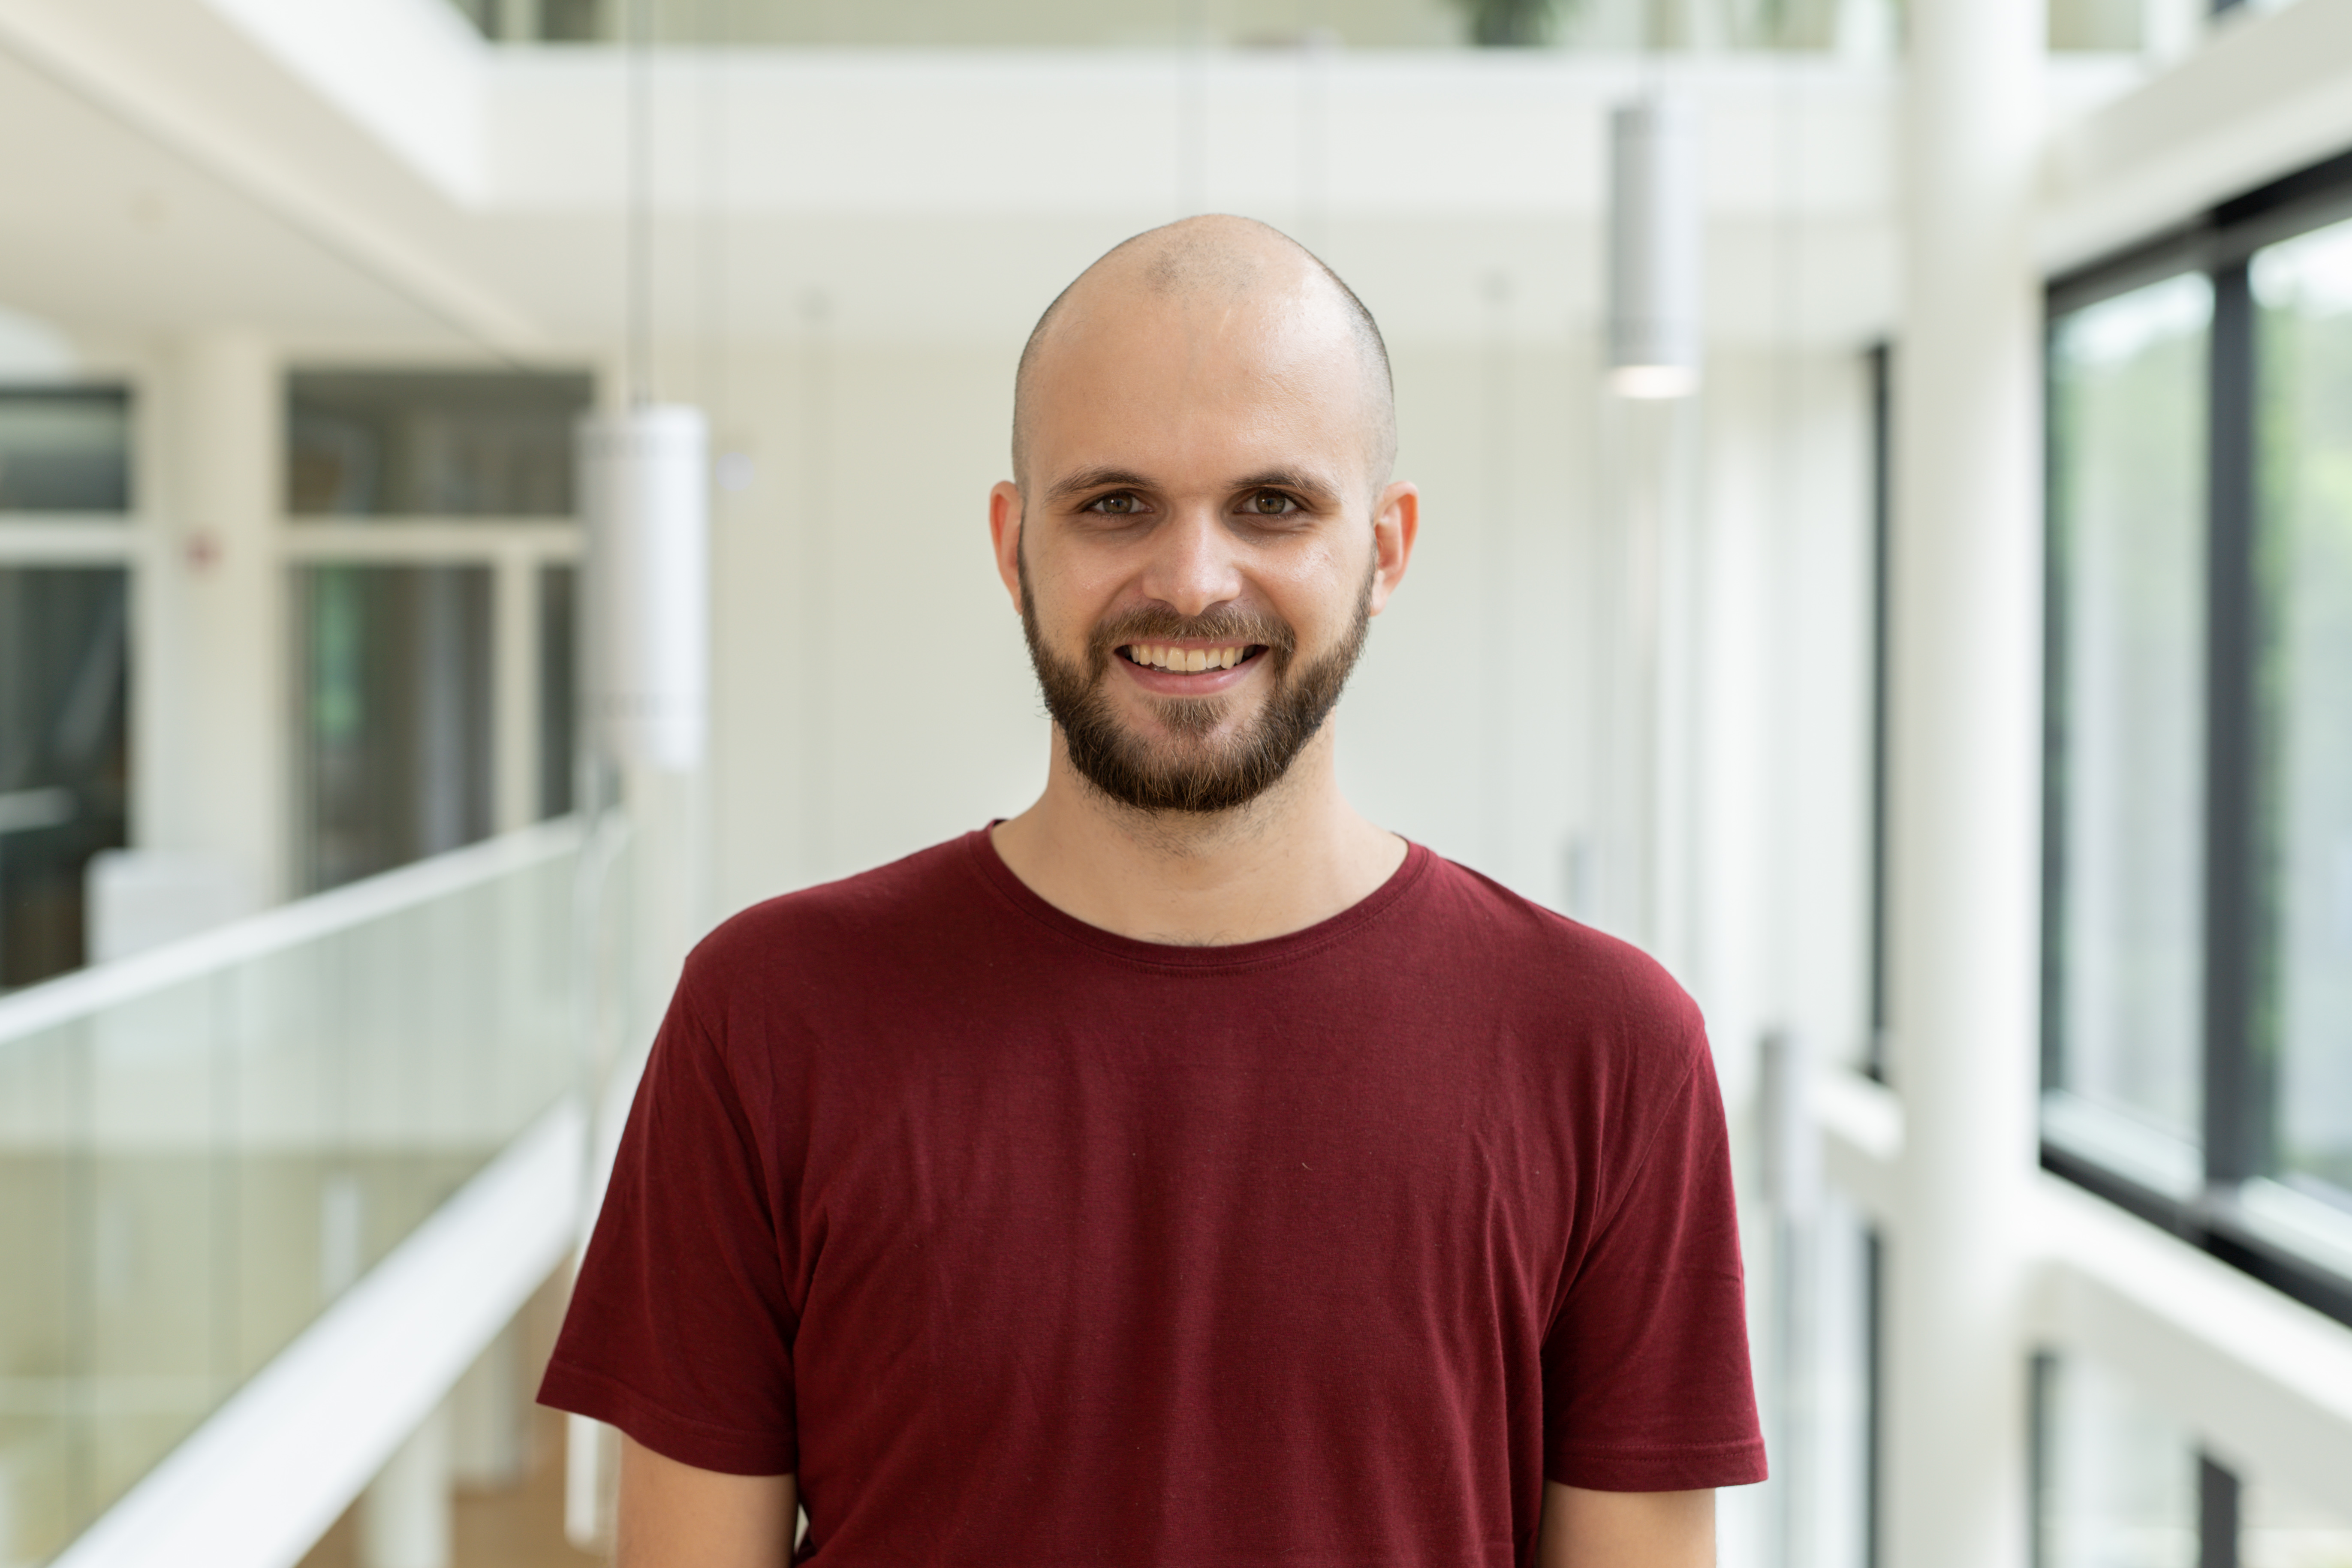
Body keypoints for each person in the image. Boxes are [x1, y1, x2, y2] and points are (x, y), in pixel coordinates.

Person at [539, 214, 1765, 1568]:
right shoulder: (770, 1017)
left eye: (1273, 504)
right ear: (1014, 544)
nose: (1191, 581)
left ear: (1388, 547)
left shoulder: (1608, 1050)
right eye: (1115, 503)